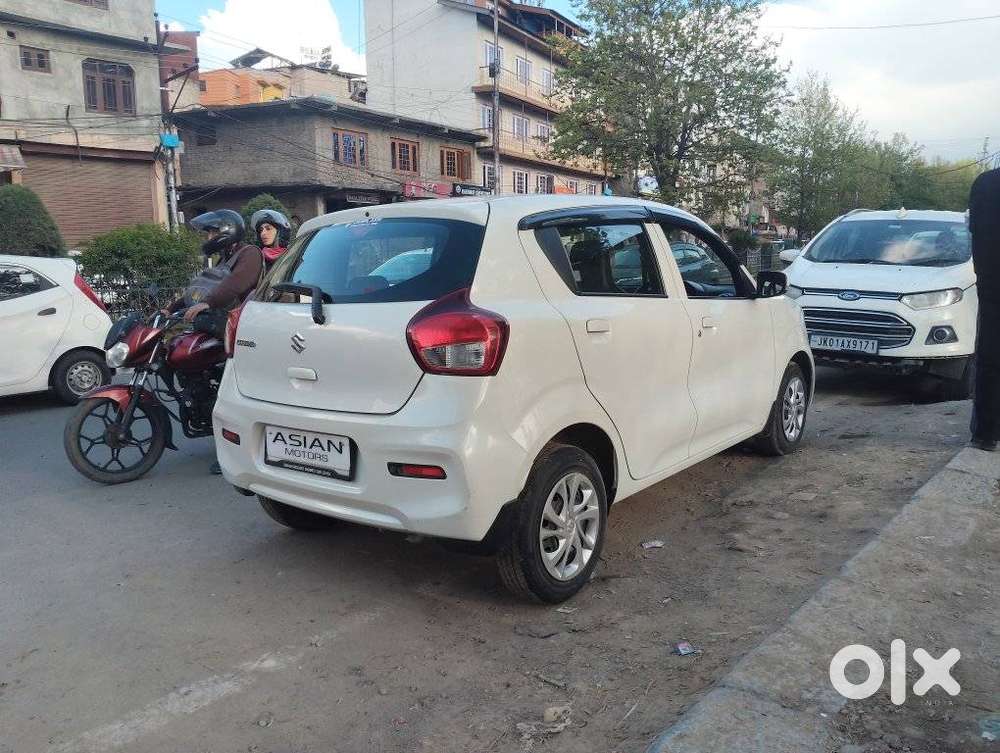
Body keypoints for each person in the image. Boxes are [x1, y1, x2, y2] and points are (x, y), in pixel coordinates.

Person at [164, 209, 264, 472]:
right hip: (221, 324)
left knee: (228, 393)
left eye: (212, 231)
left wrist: (207, 303)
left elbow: (234, 286)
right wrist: (171, 307)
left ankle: (235, 455)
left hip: (242, 329)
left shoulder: (249, 254)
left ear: (226, 231)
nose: (208, 236)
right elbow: (203, 289)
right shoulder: (225, 258)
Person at [968, 167, 1000, 451]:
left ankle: (986, 433)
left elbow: (975, 231)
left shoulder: (985, 184)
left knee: (990, 356)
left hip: (992, 284)